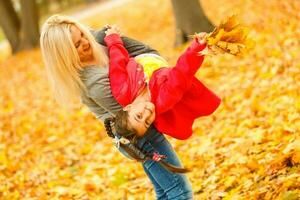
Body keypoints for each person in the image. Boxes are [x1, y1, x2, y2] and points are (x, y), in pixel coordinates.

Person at [40, 14, 193, 199]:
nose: (85, 43)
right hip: (139, 134)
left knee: (165, 191)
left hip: (138, 125)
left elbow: (139, 51)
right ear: (64, 56)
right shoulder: (94, 82)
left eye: (81, 35)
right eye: (77, 45)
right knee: (179, 190)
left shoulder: (96, 43)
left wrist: (113, 38)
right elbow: (137, 109)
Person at [104, 26, 221, 140]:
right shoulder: (163, 99)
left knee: (103, 35)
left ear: (128, 107)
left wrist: (113, 40)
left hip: (137, 55)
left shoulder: (121, 92)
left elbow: (117, 64)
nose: (147, 115)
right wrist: (197, 47)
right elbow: (182, 73)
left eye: (139, 116)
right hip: (153, 56)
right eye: (147, 122)